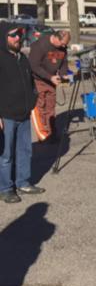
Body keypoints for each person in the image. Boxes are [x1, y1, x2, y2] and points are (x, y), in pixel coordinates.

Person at [0, 22, 46, 203]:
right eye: (13, 35)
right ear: (4, 37)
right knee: (6, 155)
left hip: (24, 114)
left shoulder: (22, 58)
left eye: (19, 34)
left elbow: (30, 82)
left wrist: (33, 100)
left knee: (25, 151)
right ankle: (5, 188)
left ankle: (23, 182)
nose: (17, 38)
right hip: (6, 116)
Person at [28, 30, 70, 143]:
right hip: (38, 80)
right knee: (40, 107)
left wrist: (63, 74)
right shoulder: (40, 45)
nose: (64, 46)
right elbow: (34, 66)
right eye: (62, 43)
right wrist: (49, 77)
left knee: (50, 107)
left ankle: (51, 131)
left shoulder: (62, 47)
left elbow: (64, 62)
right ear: (56, 38)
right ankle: (43, 134)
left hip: (52, 81)